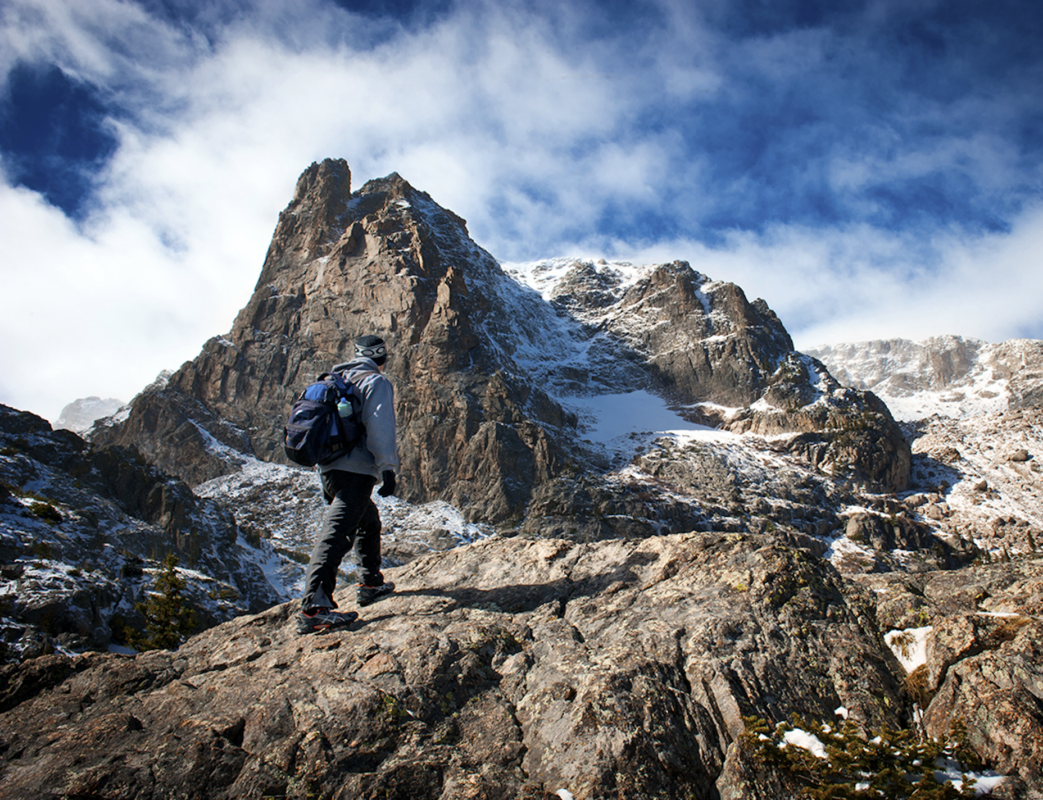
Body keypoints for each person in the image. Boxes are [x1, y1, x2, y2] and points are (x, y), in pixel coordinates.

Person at [297, 334, 400, 635]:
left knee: (368, 521)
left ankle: (370, 583)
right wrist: (388, 468)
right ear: (381, 358)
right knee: (337, 533)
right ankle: (315, 609)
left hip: (328, 469)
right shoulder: (375, 382)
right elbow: (380, 427)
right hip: (355, 470)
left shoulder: (336, 377)